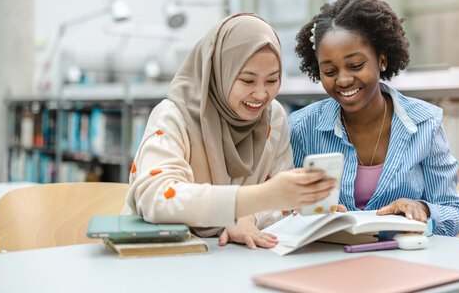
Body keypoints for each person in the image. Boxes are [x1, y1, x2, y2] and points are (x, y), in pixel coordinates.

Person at [123, 13, 336, 249]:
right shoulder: (173, 116)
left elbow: (280, 202)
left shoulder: (273, 116)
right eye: (247, 80)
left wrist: (253, 216)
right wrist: (247, 204)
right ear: (219, 71)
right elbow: (157, 196)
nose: (261, 94)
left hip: (234, 263)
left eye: (272, 80)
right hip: (158, 259)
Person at [288, 0, 459, 236]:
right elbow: (281, 209)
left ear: (381, 60)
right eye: (329, 71)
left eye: (356, 65)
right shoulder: (301, 126)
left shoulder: (426, 122)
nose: (344, 80)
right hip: (331, 260)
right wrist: (300, 212)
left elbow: (454, 214)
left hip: (401, 261)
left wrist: (422, 208)